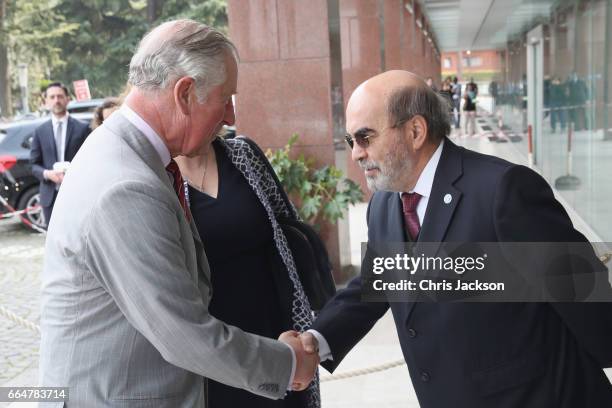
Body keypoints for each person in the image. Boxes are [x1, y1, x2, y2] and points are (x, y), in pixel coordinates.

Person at [38, 19, 318, 407]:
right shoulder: (127, 186)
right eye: (225, 99)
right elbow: (182, 334)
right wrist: (287, 365)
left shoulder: (122, 152)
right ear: (185, 93)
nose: (230, 118)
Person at [299, 70, 612, 407]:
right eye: (350, 141)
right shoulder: (383, 205)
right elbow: (377, 283)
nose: (357, 154)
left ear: (415, 131)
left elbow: (585, 299)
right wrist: (317, 340)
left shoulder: (503, 191)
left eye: (365, 137)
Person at [174, 137, 320, 408]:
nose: (229, 114)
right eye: (222, 100)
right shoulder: (160, 177)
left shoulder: (242, 154)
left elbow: (288, 228)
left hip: (277, 329)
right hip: (217, 347)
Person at [30, 82, 90, 227]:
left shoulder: (82, 128)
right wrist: (47, 174)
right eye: (52, 97)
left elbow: (90, 161)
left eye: (60, 96)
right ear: (46, 102)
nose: (56, 100)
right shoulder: (40, 131)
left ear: (67, 99)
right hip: (50, 195)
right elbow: (33, 165)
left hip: (77, 193)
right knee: (52, 240)